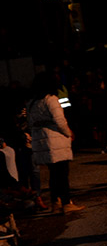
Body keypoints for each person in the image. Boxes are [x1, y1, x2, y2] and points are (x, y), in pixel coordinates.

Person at [26, 71, 82, 214]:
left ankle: (55, 202)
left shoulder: (32, 103)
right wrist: (69, 133)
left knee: (53, 174)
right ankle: (66, 202)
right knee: (62, 173)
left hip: (42, 142)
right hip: (55, 140)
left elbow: (30, 123)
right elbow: (60, 121)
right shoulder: (51, 100)